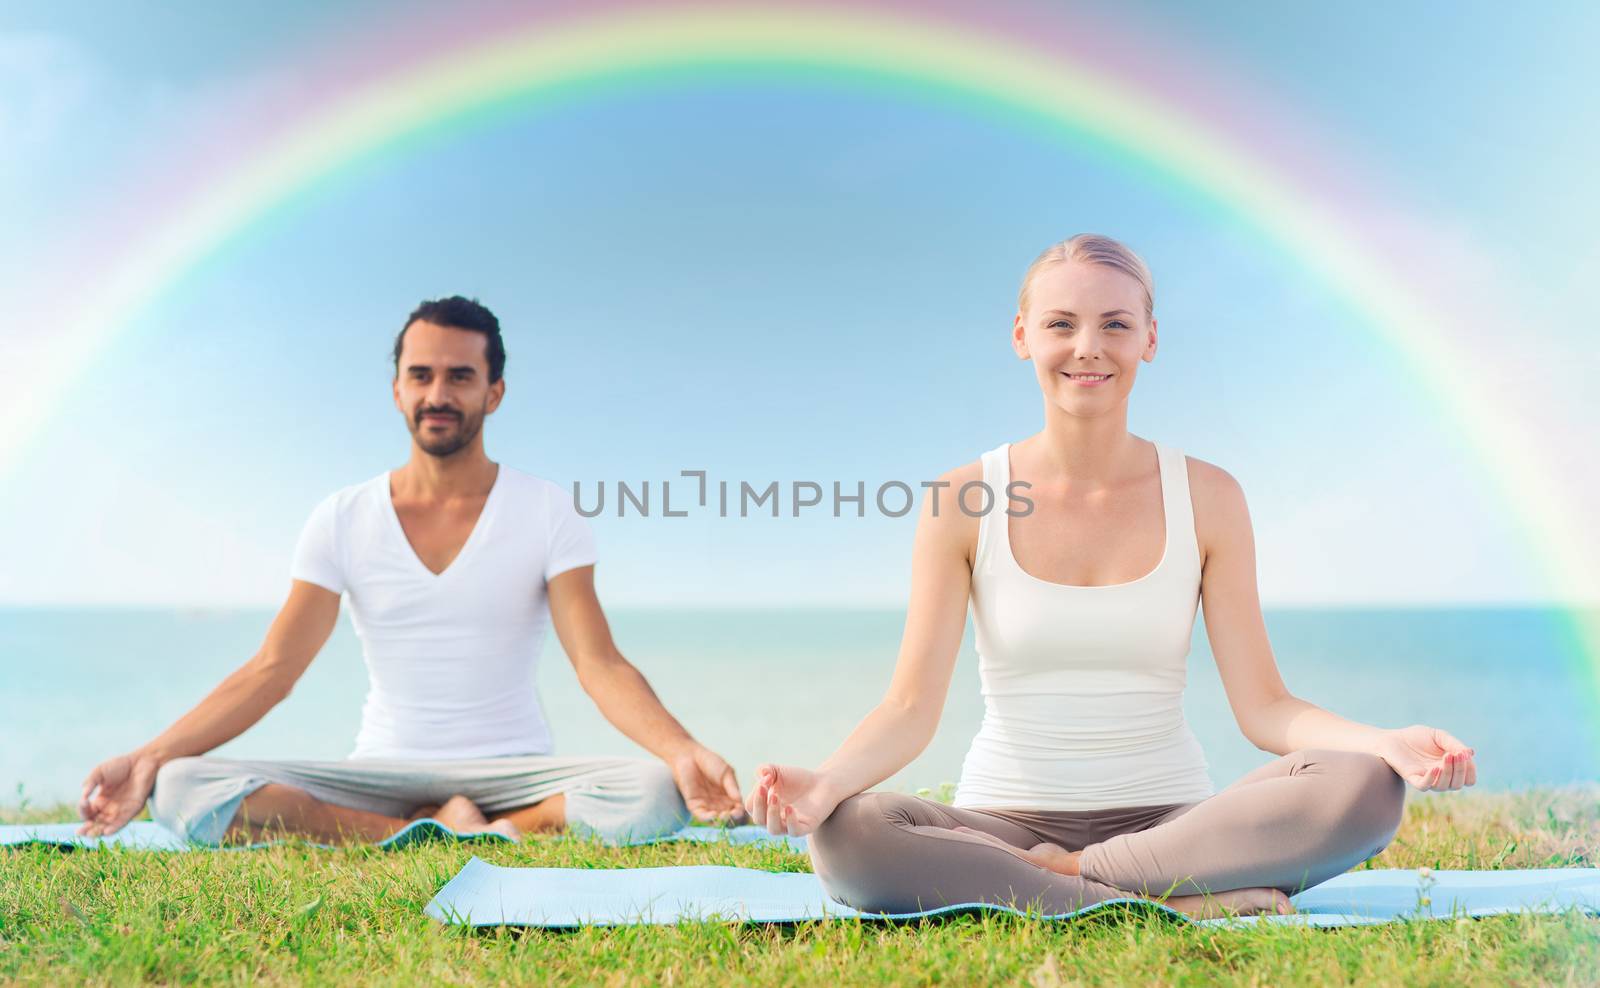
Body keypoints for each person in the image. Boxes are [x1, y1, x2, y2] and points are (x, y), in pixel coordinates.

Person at [743, 235, 1478, 919]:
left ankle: (1072, 886)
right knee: (850, 837)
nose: (1087, 348)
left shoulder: (1210, 497)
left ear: (1149, 340)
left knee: (1365, 785)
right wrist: (829, 785)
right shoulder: (962, 499)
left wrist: (1382, 741)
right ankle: (1167, 902)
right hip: (1003, 822)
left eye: (1116, 325)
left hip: (1175, 823)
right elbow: (908, 708)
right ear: (1022, 336)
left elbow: (1266, 707)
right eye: (1060, 324)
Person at [77, 296, 747, 846]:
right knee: (182, 788)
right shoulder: (341, 517)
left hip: (515, 768)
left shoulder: (546, 511)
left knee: (656, 789)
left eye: (461, 376)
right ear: (397, 390)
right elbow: (272, 670)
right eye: (422, 375)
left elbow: (599, 665)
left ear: (495, 392)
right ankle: (420, 830)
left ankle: (499, 824)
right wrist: (149, 758)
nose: (439, 394)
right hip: (380, 769)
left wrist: (682, 749)